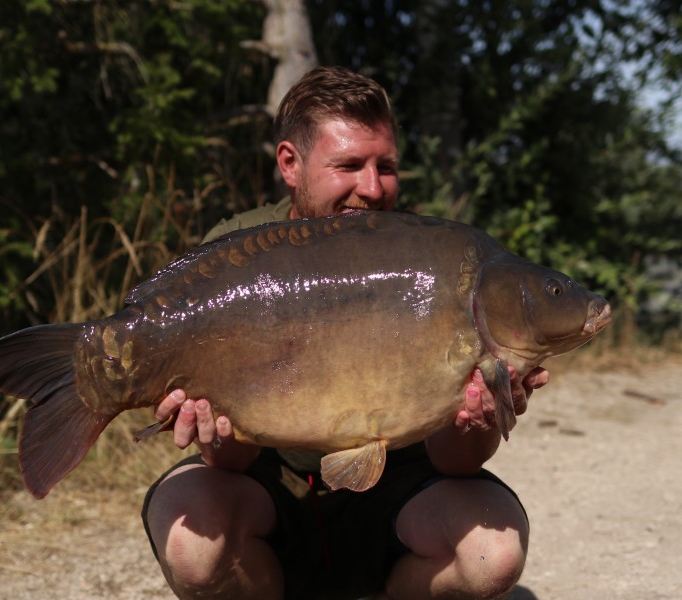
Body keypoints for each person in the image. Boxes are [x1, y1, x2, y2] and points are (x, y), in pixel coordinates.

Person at [142, 66, 549, 599]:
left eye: (387, 166)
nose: (373, 187)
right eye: (350, 165)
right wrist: (215, 428)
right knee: (188, 540)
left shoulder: (435, 258)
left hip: (396, 497)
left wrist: (479, 415)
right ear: (291, 163)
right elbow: (231, 461)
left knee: (492, 555)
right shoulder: (238, 250)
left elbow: (456, 463)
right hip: (273, 492)